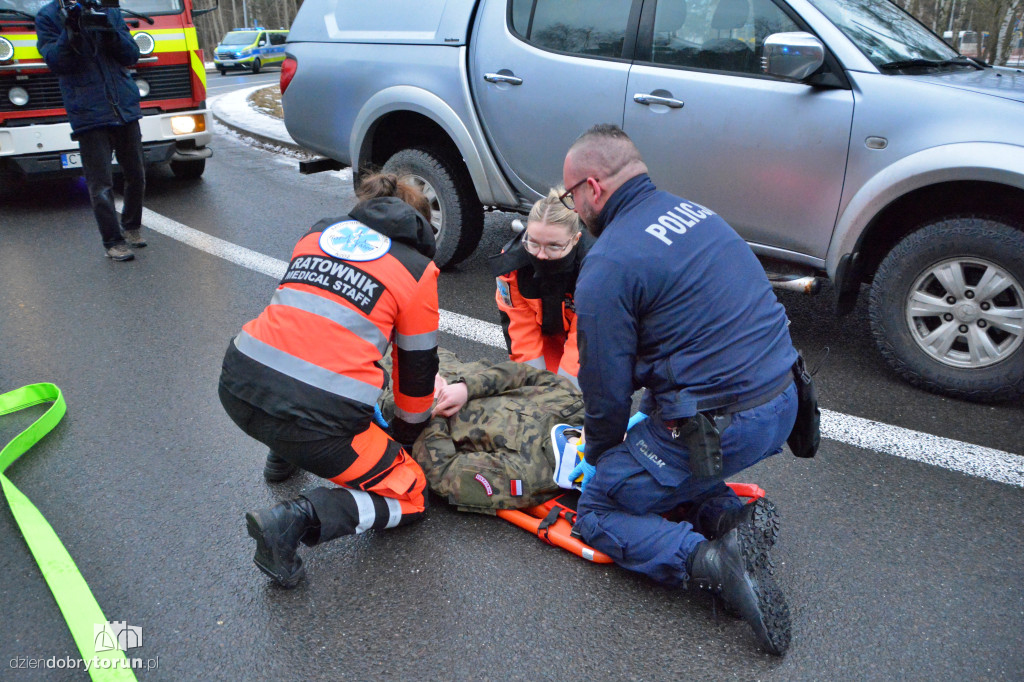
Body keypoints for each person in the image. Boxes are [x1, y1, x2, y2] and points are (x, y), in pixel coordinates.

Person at [563, 125, 800, 655]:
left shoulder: (610, 262)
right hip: (783, 403)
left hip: (725, 425)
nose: (573, 207)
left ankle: (713, 563)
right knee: (659, 447)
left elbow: (604, 390)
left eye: (570, 195)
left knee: (602, 506)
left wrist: (603, 460)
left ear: (593, 188)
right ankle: (730, 518)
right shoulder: (697, 214)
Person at [219, 172, 440, 588]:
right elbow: (416, 373)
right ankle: (294, 521)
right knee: (411, 495)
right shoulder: (416, 271)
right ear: (421, 228)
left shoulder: (318, 234)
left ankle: (280, 456)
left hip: (237, 384)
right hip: (315, 425)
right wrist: (406, 437)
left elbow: (303, 332)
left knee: (300, 360)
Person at [379, 348, 585, 513]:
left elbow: (444, 473)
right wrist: (467, 388)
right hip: (447, 368)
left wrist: (430, 403)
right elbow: (523, 374)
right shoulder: (577, 407)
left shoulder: (529, 475)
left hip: (407, 400)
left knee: (356, 361)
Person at [36, 0, 147, 262]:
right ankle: (113, 242)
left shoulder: (107, 10)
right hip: (88, 111)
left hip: (124, 107)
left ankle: (131, 226)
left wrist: (109, 28)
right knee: (100, 185)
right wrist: (71, 29)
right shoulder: (48, 16)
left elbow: (131, 55)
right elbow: (56, 62)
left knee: (137, 174)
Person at [489, 189, 594, 388]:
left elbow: (587, 336)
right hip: (550, 332)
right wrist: (533, 391)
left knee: (583, 392)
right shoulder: (512, 266)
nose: (541, 255)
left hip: (592, 336)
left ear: (575, 239)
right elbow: (520, 332)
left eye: (554, 246)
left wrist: (565, 395)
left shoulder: (597, 268)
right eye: (534, 243)